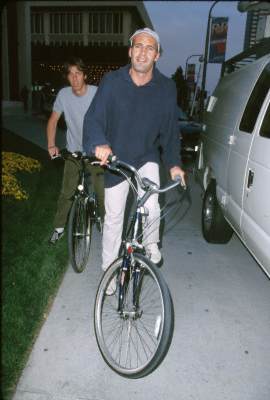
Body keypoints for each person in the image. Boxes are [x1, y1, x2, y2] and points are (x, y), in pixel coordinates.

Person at [83, 27, 185, 274]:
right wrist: (100, 142)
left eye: (149, 48)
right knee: (114, 219)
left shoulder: (166, 87)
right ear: (130, 52)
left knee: (151, 204)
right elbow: (94, 118)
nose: (143, 53)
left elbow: (170, 131)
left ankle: (151, 244)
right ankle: (108, 271)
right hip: (116, 158)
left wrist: (174, 163)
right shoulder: (112, 81)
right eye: (138, 46)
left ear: (157, 55)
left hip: (146, 155)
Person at [47, 57, 104, 244]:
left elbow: (109, 118)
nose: (75, 78)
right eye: (71, 74)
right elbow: (53, 121)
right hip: (73, 151)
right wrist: (51, 145)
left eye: (78, 73)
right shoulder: (63, 95)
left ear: (85, 75)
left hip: (94, 151)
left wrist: (106, 145)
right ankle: (59, 228)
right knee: (67, 192)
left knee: (101, 190)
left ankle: (104, 220)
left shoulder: (96, 93)